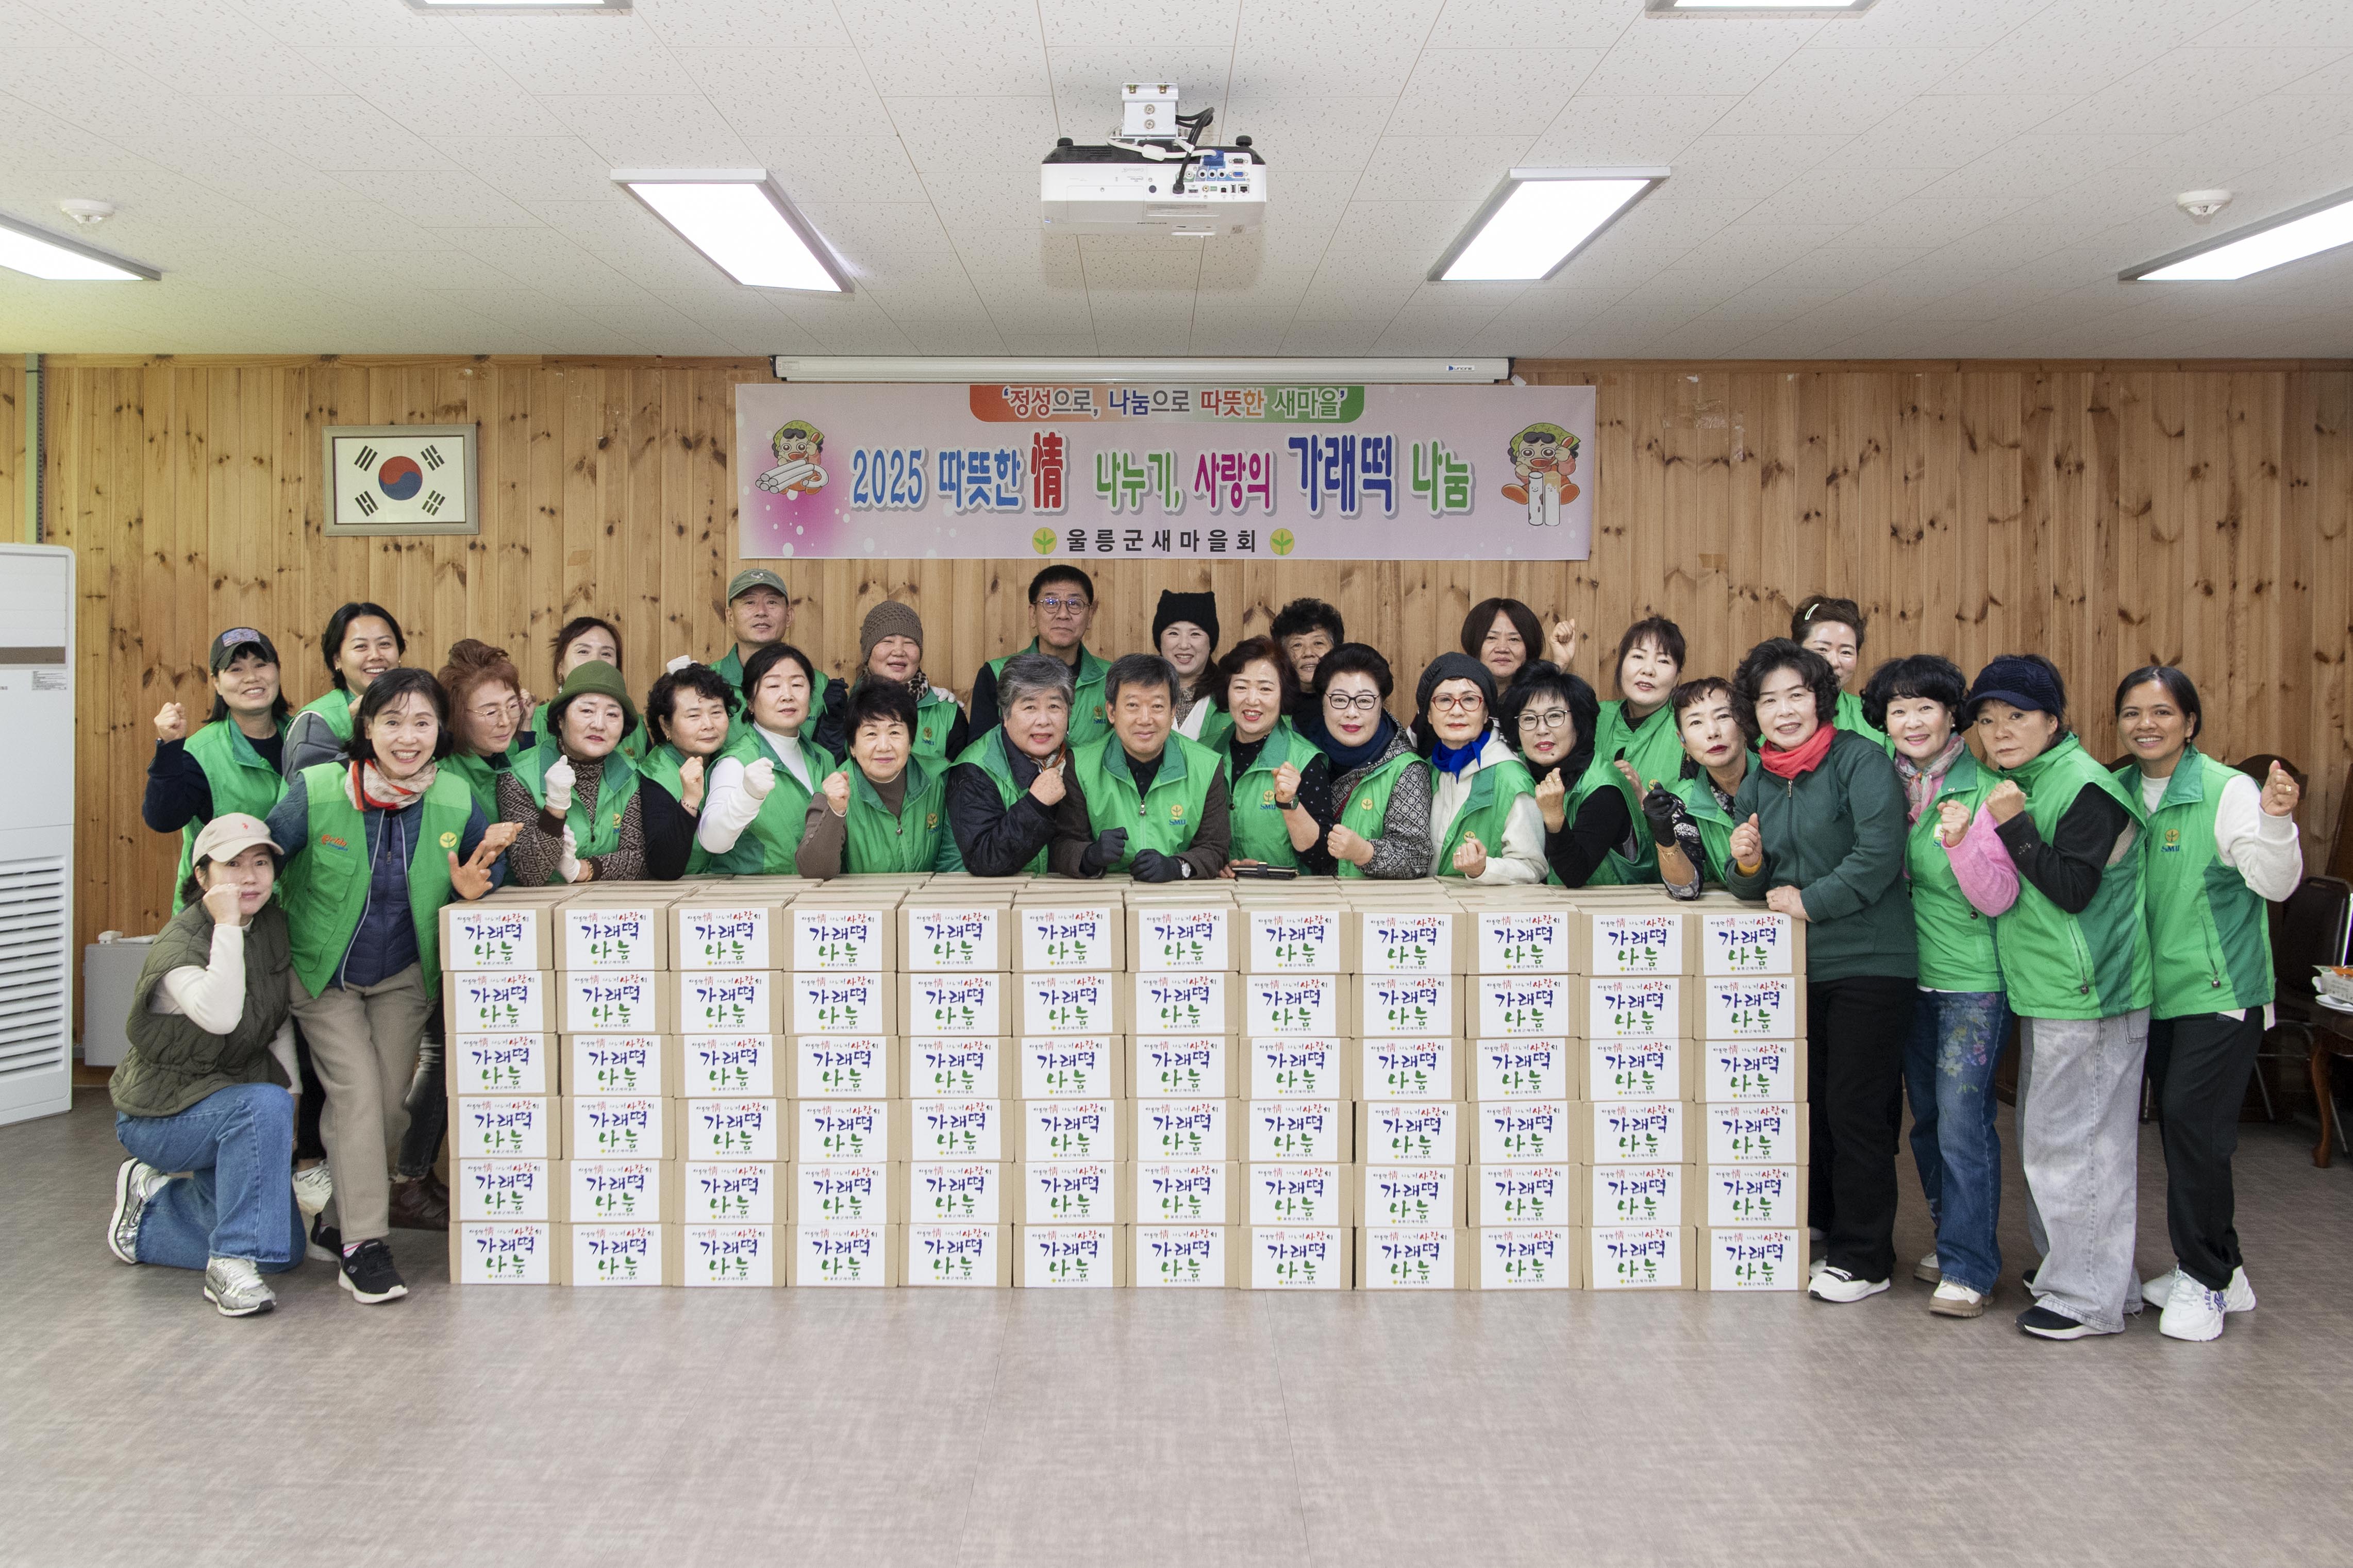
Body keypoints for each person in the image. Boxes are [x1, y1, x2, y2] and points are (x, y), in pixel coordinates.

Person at [269, 669, 512, 1305]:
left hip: (404, 974)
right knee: (356, 1096)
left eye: (423, 722)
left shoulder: (455, 796)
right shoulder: (316, 790)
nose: (409, 737)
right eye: (393, 721)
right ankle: (364, 1245)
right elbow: (263, 859)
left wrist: (479, 883)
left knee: (388, 1108)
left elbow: (491, 866)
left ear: (441, 730)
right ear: (367, 728)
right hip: (322, 975)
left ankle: (334, 1221)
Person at [1963, 653, 2151, 1341]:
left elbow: (2073, 889)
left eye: (2016, 716)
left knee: (2076, 1145)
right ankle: (2100, 1282)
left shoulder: (2084, 785)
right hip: (2053, 991)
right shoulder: (2028, 780)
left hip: (2092, 994)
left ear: (2052, 720)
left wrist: (2013, 826)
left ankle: (2083, 1299)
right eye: (1988, 719)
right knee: (2058, 1140)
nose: (1999, 731)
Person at [1723, 638, 1916, 1306]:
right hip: (1796, 968)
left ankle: (1865, 1257)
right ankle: (1825, 1223)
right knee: (1813, 1106)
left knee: (1857, 1109)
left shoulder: (1859, 760)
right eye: (1768, 700)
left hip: (1870, 961)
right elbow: (1750, 886)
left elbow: (1878, 854)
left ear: (1821, 699)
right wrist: (1746, 860)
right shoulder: (1760, 777)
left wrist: (1809, 901)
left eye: (1796, 696)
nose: (1783, 711)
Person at [2113, 666, 2304, 1342]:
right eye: (2132, 712)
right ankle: (2228, 1266)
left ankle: (2203, 1276)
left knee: (2195, 1127)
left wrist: (2275, 822)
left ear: (2189, 722)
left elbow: (2275, 883)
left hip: (2221, 993)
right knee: (2182, 1130)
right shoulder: (2116, 790)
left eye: (2162, 711)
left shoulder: (2228, 790)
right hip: (2152, 992)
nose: (2146, 724)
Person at [107, 815, 308, 1317]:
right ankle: (229, 1263)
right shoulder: (180, 945)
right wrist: (227, 926)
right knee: (260, 1107)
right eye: (232, 864)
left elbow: (276, 1020)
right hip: (161, 1115)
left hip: (227, 1102)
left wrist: (293, 1101)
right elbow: (220, 1016)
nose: (250, 877)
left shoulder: (272, 925)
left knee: (282, 1251)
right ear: (202, 876)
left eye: (260, 862)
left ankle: (149, 1216)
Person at [1862, 654, 2012, 1320]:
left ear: (1953, 713)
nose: (1912, 720)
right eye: (1898, 709)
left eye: (1925, 705)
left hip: (1969, 980)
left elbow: (1999, 895)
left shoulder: (1989, 788)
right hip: (1903, 974)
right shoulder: (1879, 784)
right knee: (1926, 1120)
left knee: (1962, 1122)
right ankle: (1954, 1235)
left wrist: (1958, 843)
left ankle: (1970, 1265)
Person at [144, 627, 292, 909]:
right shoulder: (200, 753)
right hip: (217, 915)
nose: (252, 677)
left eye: (261, 665)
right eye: (236, 669)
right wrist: (170, 748)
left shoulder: (305, 736)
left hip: (289, 915)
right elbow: (163, 819)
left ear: (277, 671)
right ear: (217, 683)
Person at [1061, 653, 1230, 881]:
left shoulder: (1206, 765)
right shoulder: (1081, 765)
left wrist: (1177, 867)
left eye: (1157, 706)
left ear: (1172, 712)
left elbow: (1215, 847)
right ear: (1111, 712)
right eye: (1132, 705)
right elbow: (1064, 842)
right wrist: (1090, 856)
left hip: (1179, 893)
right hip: (1104, 892)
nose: (1145, 719)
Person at [498, 661, 650, 885]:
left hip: (610, 903)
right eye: (587, 711)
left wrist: (582, 869)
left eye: (612, 714)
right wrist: (554, 810)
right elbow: (530, 874)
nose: (599, 724)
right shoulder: (519, 775)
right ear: (561, 719)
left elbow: (640, 860)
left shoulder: (631, 775)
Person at [945, 652, 1094, 876]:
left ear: (1069, 713)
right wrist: (1035, 804)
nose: (1043, 721)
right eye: (1030, 708)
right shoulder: (974, 769)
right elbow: (985, 860)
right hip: (979, 893)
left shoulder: (1078, 760)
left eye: (1054, 707)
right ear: (1006, 716)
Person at [795, 682, 965, 878]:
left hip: (929, 895)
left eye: (894, 733)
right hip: (863, 897)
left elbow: (954, 861)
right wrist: (835, 812)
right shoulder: (836, 790)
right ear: (852, 746)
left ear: (910, 742)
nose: (884, 746)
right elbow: (814, 870)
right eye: (871, 734)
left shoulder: (941, 778)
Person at [698, 644, 840, 873]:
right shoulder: (736, 762)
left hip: (814, 891)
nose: (788, 696)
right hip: (754, 892)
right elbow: (711, 840)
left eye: (797, 685)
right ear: (750, 702)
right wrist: (748, 796)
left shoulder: (822, 759)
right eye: (773, 686)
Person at [1499, 660, 1632, 887]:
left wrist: (1554, 818)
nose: (1542, 730)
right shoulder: (1516, 772)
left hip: (1611, 904)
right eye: (1529, 719)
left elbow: (1574, 875)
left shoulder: (1604, 787)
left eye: (1554, 716)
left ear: (1578, 722)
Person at [1415, 654, 1545, 884]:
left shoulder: (1511, 778)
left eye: (1469, 700)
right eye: (1444, 700)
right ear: (1429, 715)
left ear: (1486, 714)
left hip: (1485, 905)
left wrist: (1484, 869)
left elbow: (1533, 868)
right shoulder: (1426, 770)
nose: (1457, 711)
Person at [1209, 636, 1334, 874]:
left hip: (1288, 894)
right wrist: (1211, 863)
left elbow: (1322, 858)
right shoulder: (1206, 753)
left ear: (1283, 695)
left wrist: (1290, 804)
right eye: (1241, 687)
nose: (1252, 700)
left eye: (1265, 689)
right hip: (1218, 891)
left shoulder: (1305, 760)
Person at [1576, 616, 1687, 881]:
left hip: (1664, 880)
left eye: (1663, 661)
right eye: (1638, 656)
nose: (1648, 670)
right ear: (1621, 665)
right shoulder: (1595, 717)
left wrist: (1644, 801)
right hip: (1582, 874)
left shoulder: (1689, 727)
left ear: (1677, 677)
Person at [1314, 644, 1434, 879]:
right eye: (1339, 700)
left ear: (1382, 704)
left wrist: (1364, 852)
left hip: (1373, 901)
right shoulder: (1305, 755)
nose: (1351, 712)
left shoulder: (1406, 769)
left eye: (1364, 701)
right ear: (1323, 703)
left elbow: (1416, 856)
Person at [970, 565, 1113, 749]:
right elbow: (981, 753)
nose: (1063, 614)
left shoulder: (1113, 677)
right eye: (1051, 602)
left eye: (1074, 604)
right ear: (1033, 614)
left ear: (1090, 616)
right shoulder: (996, 673)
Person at [816, 602, 968, 766]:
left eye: (909, 642)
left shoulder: (947, 713)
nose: (899, 651)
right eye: (888, 641)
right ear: (868, 652)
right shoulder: (844, 708)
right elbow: (828, 771)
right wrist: (833, 724)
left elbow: (964, 776)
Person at [1645, 677, 1755, 899]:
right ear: (1682, 741)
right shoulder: (1684, 800)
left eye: (1723, 716)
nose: (1713, 732)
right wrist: (1664, 836)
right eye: (1696, 723)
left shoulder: (1780, 779)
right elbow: (1686, 889)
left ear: (1744, 725)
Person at [639, 662, 741, 878]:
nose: (708, 725)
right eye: (694, 716)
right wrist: (689, 802)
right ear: (666, 725)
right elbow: (663, 867)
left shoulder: (733, 759)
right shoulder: (655, 774)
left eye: (716, 712)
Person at [283, 601, 403, 777]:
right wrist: (359, 737)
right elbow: (313, 788)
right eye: (361, 646)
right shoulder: (316, 721)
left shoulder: (420, 707)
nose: (376, 655)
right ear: (337, 660)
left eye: (385, 644)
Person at [713, 569, 829, 742]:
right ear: (730, 617)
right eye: (750, 602)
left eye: (772, 602)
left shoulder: (819, 684)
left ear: (789, 616)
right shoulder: (707, 682)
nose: (761, 611)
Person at [527, 616, 648, 763]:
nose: (595, 661)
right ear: (560, 666)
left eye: (606, 654)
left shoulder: (636, 727)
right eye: (583, 652)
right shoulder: (532, 722)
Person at [438, 639, 530, 822]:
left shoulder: (511, 750)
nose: (505, 722)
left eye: (512, 706)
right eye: (491, 712)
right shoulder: (442, 774)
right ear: (457, 715)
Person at [1794, 594, 1892, 753]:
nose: (1834, 662)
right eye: (1822, 649)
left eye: (1846, 652)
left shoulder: (1875, 716)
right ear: (1795, 653)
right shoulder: (1770, 714)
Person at [1156, 589, 1228, 747]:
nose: (1184, 645)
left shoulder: (1229, 697)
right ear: (1160, 642)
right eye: (1173, 633)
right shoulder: (1139, 691)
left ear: (1211, 643)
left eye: (1195, 634)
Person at [1461, 597, 1549, 689]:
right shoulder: (1456, 695)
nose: (1502, 649)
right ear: (1473, 643)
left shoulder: (1544, 694)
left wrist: (1559, 662)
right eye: (1491, 638)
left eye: (1514, 639)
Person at [1270, 597, 1345, 689]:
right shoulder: (1271, 696)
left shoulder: (1352, 695)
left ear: (1336, 650)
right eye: (1297, 645)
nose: (1308, 653)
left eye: (1318, 643)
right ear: (1282, 654)